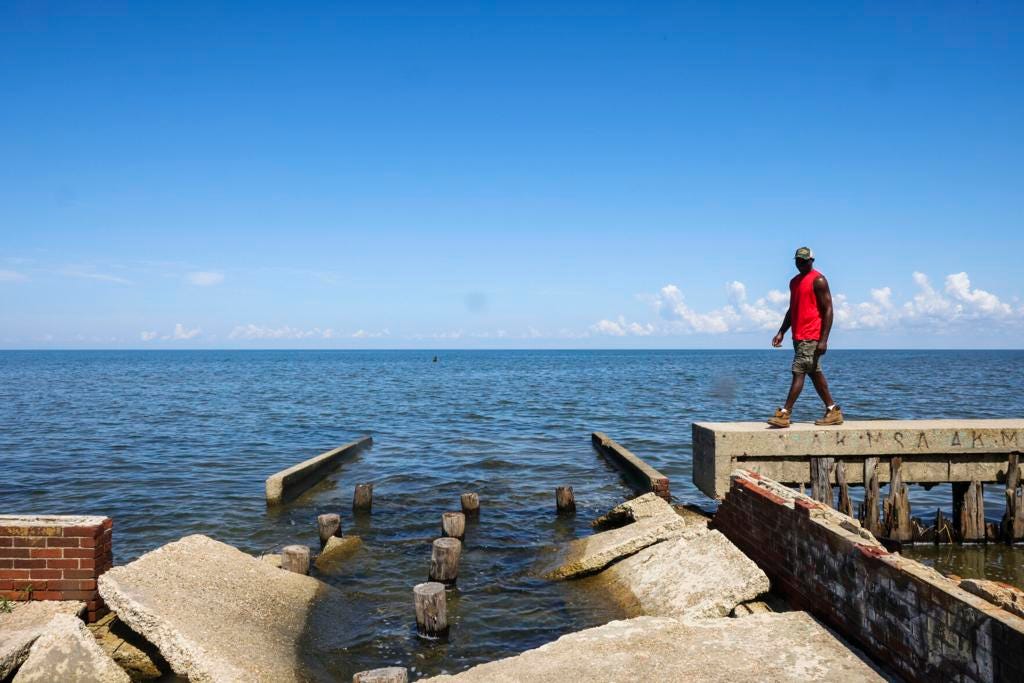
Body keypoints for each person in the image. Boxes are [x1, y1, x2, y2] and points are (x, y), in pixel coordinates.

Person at [767, 247, 843, 428]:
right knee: (814, 373)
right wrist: (782, 331)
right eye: (798, 260)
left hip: (812, 335)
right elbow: (792, 309)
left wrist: (824, 339)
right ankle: (833, 410)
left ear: (811, 260)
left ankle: (785, 413)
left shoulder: (819, 280)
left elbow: (828, 310)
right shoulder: (794, 282)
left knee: (798, 371)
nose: (800, 263)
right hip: (798, 336)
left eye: (804, 260)